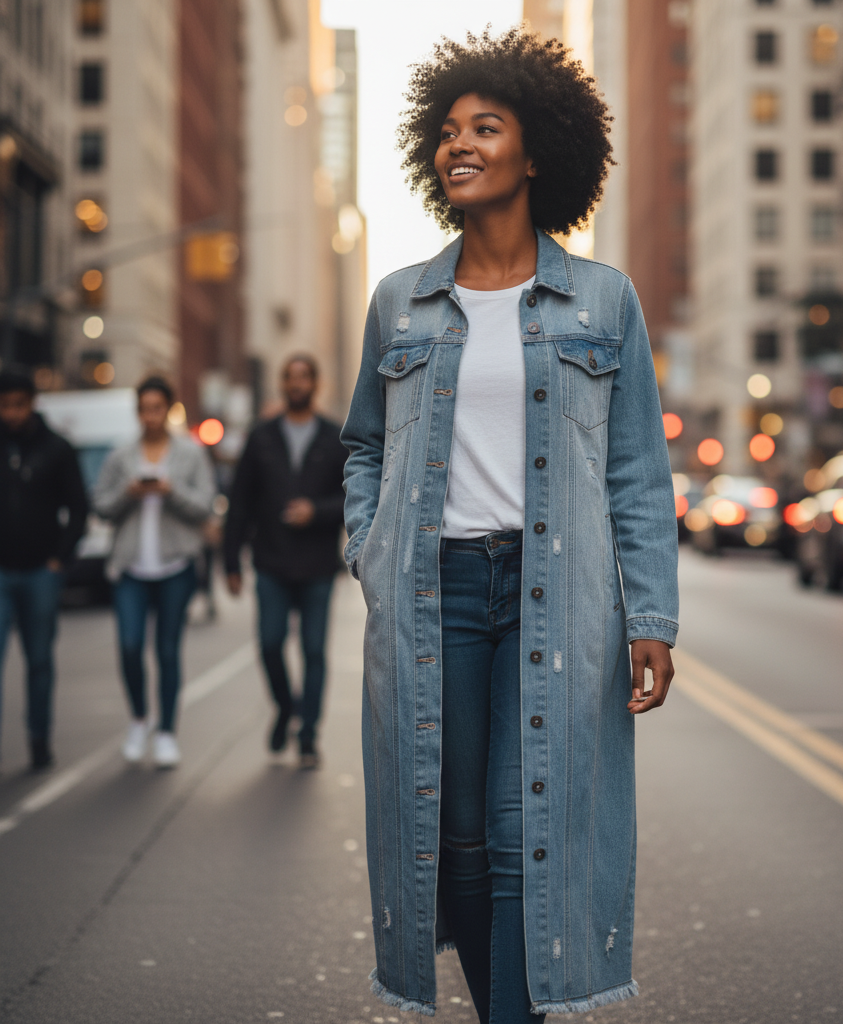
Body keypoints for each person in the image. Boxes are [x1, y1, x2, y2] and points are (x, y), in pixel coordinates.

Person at [341, 28, 678, 1022]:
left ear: (536, 155)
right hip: (429, 594)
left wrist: (649, 614)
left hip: (548, 597)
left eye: (484, 128)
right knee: (449, 841)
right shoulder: (400, 304)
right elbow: (363, 444)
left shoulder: (602, 302)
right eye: (446, 131)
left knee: (518, 829)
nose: (459, 145)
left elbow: (636, 474)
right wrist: (367, 548)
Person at [223, 355, 347, 769]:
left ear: (316, 383)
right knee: (271, 643)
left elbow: (353, 497)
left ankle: (308, 735)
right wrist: (230, 563)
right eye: (290, 377)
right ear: (282, 383)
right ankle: (284, 707)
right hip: (271, 562)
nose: (296, 384)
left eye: (303, 377)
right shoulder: (261, 437)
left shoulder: (334, 436)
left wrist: (317, 510)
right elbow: (239, 502)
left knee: (314, 651)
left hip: (316, 565)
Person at [93, 377, 214, 768]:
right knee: (129, 647)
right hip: (130, 568)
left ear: (168, 410)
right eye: (144, 409)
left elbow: (204, 506)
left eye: (157, 408)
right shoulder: (120, 455)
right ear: (137, 411)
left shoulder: (190, 454)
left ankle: (165, 733)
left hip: (175, 567)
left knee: (167, 651)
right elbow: (101, 506)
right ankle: (139, 719)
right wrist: (129, 492)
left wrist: (169, 491)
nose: (150, 416)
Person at [0, 367, 88, 770]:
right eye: (4, 406)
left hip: (40, 571)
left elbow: (78, 508)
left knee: (39, 660)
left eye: (18, 405)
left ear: (32, 404)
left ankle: (38, 738)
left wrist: (60, 558)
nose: (11, 413)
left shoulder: (57, 448)